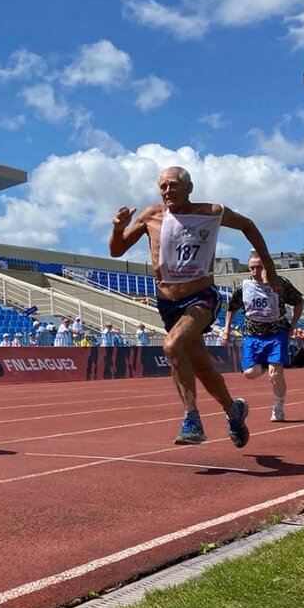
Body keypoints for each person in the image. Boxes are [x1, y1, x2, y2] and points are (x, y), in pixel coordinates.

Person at [110, 165, 277, 447]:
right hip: (168, 303)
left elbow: (248, 224)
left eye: (173, 185)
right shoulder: (151, 216)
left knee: (172, 346)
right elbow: (116, 251)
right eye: (162, 186)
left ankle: (192, 419)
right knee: (201, 365)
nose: (167, 191)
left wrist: (269, 268)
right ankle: (233, 410)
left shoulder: (210, 213)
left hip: (201, 296)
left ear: (189, 187)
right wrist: (117, 228)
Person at [222, 251, 304, 422]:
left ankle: (278, 407)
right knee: (250, 373)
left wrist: (293, 325)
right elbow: (232, 308)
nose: (254, 272)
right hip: (253, 335)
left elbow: (299, 302)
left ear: (267, 267)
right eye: (251, 268)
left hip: (277, 333)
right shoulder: (243, 287)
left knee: (275, 375)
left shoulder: (280, 284)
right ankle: (266, 365)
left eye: (258, 267)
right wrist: (226, 330)